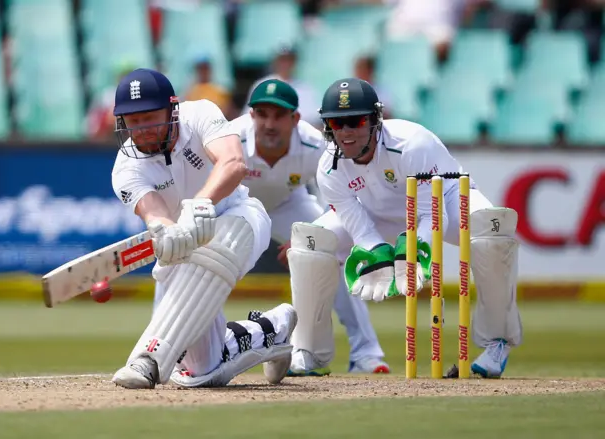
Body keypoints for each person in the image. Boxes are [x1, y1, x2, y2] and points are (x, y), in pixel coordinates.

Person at [288, 77, 522, 378]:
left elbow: (431, 216)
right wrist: (375, 252)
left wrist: (416, 250)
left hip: (447, 201)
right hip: (377, 214)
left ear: (375, 120)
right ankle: (307, 350)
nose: (345, 132)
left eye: (355, 121)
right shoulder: (328, 168)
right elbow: (359, 226)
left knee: (493, 231)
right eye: (336, 123)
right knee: (311, 242)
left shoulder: (411, 145)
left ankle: (497, 343)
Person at [110, 68, 298, 389]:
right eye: (132, 120)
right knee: (203, 372)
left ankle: (148, 360)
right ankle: (271, 331)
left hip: (240, 219)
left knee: (217, 246)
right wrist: (165, 231)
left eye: (150, 117)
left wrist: (199, 205)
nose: (141, 129)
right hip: (188, 248)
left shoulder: (199, 114)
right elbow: (154, 213)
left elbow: (233, 162)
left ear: (172, 109)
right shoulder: (126, 169)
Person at [226, 78, 389, 375]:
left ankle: (366, 353)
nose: (270, 124)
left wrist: (312, 238)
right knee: (203, 260)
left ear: (295, 119)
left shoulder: (316, 145)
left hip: (290, 204)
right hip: (238, 206)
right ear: (251, 116)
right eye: (262, 114)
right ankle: (183, 348)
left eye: (278, 116)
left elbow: (340, 197)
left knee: (327, 255)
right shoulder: (231, 137)